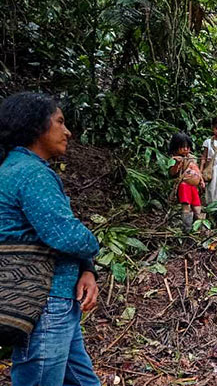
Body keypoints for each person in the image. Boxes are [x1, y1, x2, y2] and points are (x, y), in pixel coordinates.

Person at [0, 92, 100, 386]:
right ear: (36, 127)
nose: (67, 131)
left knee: (82, 381)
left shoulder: (20, 169)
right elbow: (65, 233)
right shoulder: (31, 174)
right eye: (60, 122)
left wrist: (87, 269)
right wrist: (93, 243)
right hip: (44, 302)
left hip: (56, 297)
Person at [169, 132, 205, 232]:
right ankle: (187, 228)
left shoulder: (191, 158)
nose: (186, 149)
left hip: (193, 187)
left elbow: (197, 170)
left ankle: (201, 228)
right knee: (186, 206)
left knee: (197, 206)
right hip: (184, 186)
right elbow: (172, 173)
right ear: (176, 147)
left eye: (187, 147)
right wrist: (177, 164)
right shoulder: (174, 159)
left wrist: (201, 180)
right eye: (183, 147)